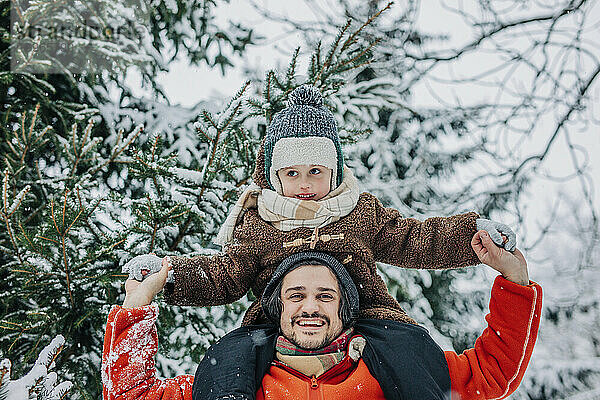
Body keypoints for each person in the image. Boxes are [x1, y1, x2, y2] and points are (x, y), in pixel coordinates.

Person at [103, 230, 542, 400]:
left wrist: (515, 283)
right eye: (295, 295)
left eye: (324, 296)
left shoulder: (394, 365)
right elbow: (130, 397)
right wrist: (137, 306)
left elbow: (490, 374)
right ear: (277, 309)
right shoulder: (233, 376)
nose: (310, 306)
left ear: (345, 310)